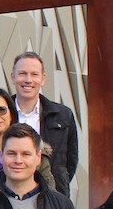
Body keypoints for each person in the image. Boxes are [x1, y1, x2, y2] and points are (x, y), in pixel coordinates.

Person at [11, 51, 78, 198]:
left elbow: (70, 162)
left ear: (43, 79)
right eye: (22, 73)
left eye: (34, 74)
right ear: (13, 77)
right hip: (10, 196)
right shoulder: (2, 114)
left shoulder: (63, 115)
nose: (28, 80)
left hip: (52, 197)